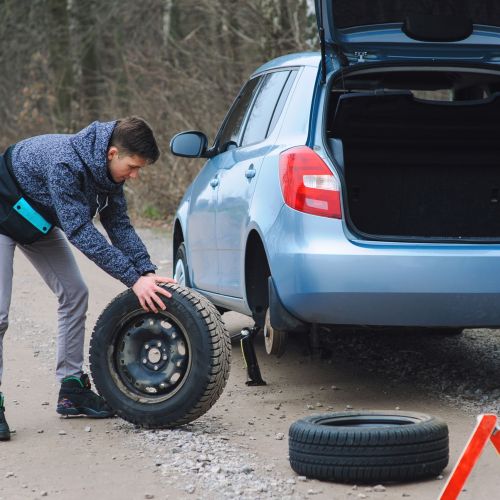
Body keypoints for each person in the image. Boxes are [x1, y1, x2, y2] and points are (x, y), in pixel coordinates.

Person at [0, 117, 175, 441]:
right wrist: (131, 280)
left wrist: (145, 272)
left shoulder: (109, 177)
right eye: (133, 167)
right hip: (3, 207)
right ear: (112, 153)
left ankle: (72, 390)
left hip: (35, 218)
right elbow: (80, 231)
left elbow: (118, 224)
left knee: (75, 292)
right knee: (0, 314)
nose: (135, 175)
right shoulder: (65, 163)